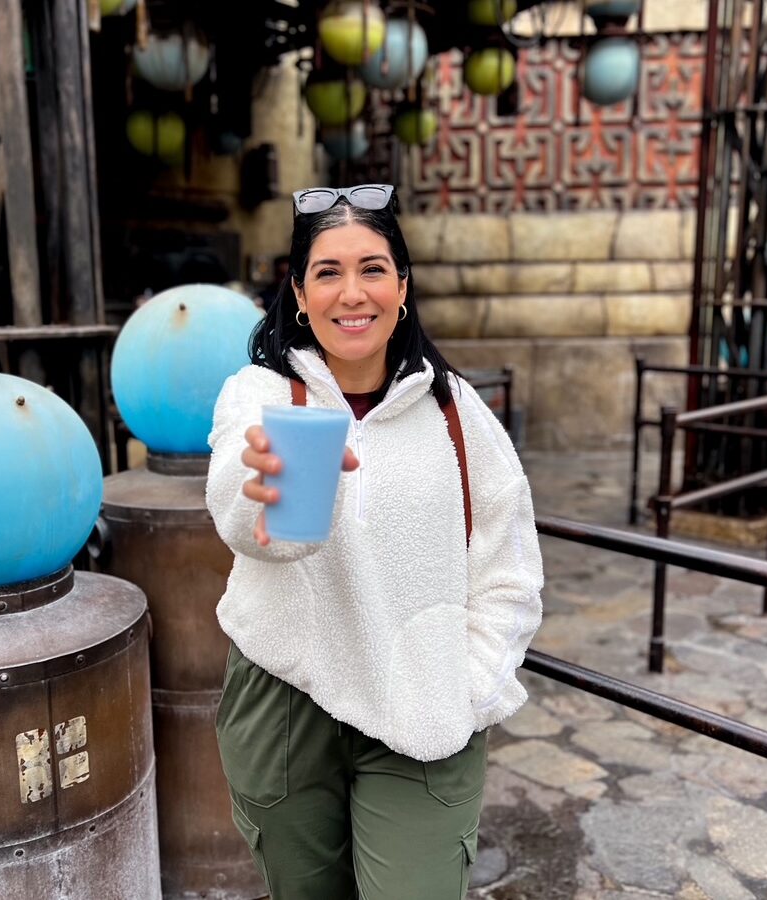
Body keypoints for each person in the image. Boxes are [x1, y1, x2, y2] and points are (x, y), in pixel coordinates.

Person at [205, 184, 544, 900]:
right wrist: (258, 491)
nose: (351, 293)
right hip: (285, 696)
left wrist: (472, 685)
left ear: (402, 287)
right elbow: (241, 509)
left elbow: (510, 568)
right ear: (298, 292)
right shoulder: (260, 395)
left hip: (421, 703)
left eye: (372, 269)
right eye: (327, 272)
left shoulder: (457, 412)